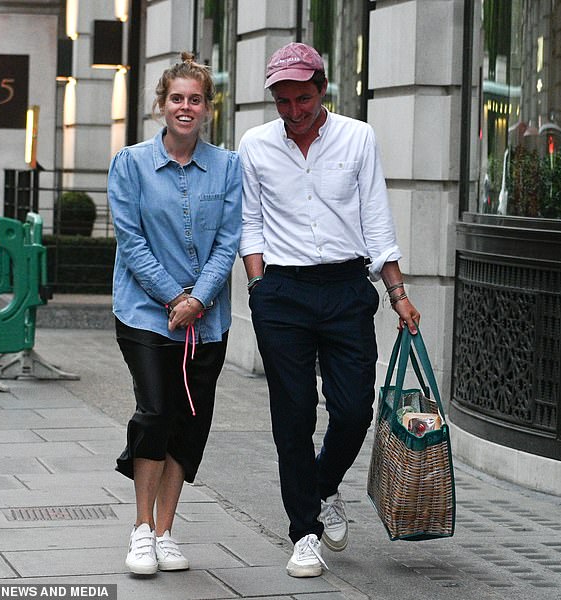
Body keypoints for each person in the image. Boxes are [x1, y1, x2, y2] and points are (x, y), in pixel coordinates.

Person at [238, 42, 420, 578]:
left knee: (353, 409)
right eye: (283, 101)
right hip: (283, 293)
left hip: (345, 287)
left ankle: (322, 485)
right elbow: (250, 222)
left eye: (303, 98)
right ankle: (304, 532)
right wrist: (258, 287)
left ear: (323, 90)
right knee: (292, 415)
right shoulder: (255, 144)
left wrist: (398, 292)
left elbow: (377, 219)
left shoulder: (358, 137)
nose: (294, 111)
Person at [108, 52, 242, 576]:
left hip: (206, 319)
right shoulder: (131, 163)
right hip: (145, 313)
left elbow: (229, 240)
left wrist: (198, 301)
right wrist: (173, 298)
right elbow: (131, 240)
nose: (185, 107)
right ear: (162, 105)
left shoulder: (228, 167)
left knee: (190, 422)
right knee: (156, 410)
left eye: (195, 99)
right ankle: (141, 529)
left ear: (208, 108)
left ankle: (167, 531)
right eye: (177, 98)